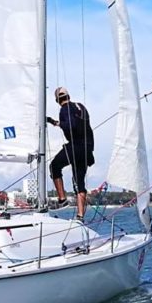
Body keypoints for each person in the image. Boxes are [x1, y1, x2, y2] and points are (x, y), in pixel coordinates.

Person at [44, 86, 94, 220]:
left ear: (57, 100)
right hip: (87, 148)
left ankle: (62, 199)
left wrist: (56, 122)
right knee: (79, 182)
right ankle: (80, 216)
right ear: (68, 96)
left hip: (75, 146)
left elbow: (70, 125)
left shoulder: (64, 109)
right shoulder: (81, 107)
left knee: (54, 166)